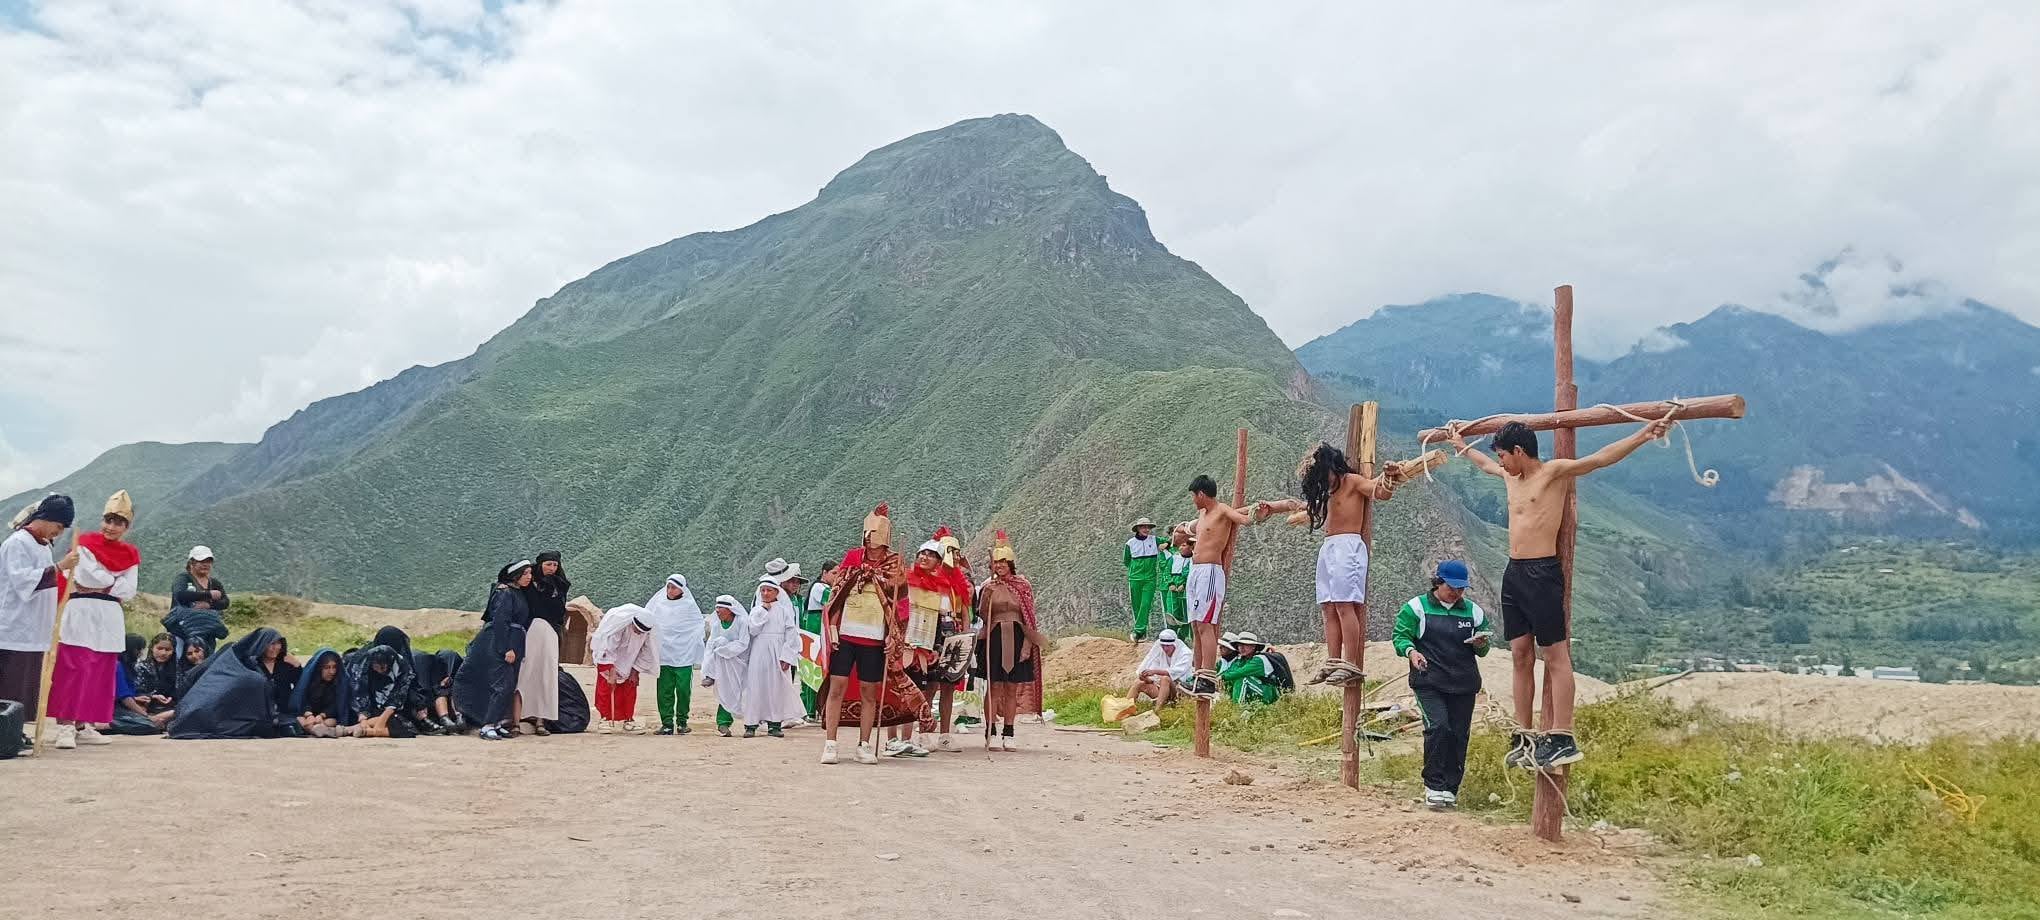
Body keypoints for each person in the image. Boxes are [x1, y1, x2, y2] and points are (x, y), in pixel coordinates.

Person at [1449, 416, 1671, 769]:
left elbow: (1600, 459)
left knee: (1554, 655)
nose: (1502, 462)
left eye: (1505, 455)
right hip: (1514, 573)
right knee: (1521, 653)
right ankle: (1524, 736)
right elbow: (1484, 464)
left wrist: (1645, 434)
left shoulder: (1553, 473)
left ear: (1519, 451)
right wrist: (1461, 446)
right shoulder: (1509, 475)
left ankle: (1562, 736)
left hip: (1542, 573)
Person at [1251, 444, 1401, 687]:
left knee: (1344, 604)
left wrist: (1389, 477)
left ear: (1332, 468)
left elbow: (1379, 492)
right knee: (1328, 606)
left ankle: (1350, 663)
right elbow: (1298, 505)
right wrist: (1272, 507)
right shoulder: (1327, 492)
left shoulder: (1352, 481)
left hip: (1348, 546)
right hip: (1329, 547)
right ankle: (1333, 660)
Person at [1392, 561, 1493, 809]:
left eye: (1461, 589)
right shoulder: (1416, 608)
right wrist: (1411, 652)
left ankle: (1451, 788)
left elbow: (1484, 649)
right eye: (1452, 587)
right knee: (1438, 727)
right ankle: (1434, 786)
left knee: (1459, 735)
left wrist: (1481, 644)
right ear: (1438, 582)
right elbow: (1400, 636)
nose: (1457, 593)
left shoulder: (1474, 612)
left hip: (1464, 683)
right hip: (1429, 681)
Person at [48, 491, 140, 750]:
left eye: (118, 522)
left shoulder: (131, 553)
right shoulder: (85, 542)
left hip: (109, 615)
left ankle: (83, 725)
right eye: (108, 520)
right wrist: (112, 582)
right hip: (80, 611)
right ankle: (65, 726)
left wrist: (103, 584)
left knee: (99, 670)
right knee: (73, 666)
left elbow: (129, 590)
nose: (111, 527)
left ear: (126, 526)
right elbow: (86, 576)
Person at [818, 505, 908, 766]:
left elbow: (900, 604)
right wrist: (832, 627)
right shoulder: (852, 557)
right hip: (845, 635)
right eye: (867, 533)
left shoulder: (895, 563)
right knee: (837, 688)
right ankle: (831, 743)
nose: (870, 538)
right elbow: (837, 593)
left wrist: (894, 635)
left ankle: (865, 744)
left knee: (870, 692)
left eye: (875, 533)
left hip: (875, 638)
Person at [0, 494, 75, 753]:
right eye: (59, 525)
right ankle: (5, 733)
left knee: (26, 687)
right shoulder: (18, 543)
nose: (60, 531)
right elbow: (23, 582)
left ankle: (14, 731)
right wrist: (59, 568)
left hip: (35, 628)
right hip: (15, 627)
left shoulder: (44, 545)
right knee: (11, 685)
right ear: (46, 518)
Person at [970, 531, 1045, 752]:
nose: (1000, 566)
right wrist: (987, 594)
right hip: (994, 637)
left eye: (1004, 562)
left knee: (1011, 688)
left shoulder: (1023, 585)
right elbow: (982, 615)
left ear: (1010, 563)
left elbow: (1029, 616)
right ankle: (990, 730)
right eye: (997, 562)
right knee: (993, 687)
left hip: (1017, 636)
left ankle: (1009, 732)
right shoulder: (988, 586)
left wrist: (1027, 646)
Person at [1185, 476, 1251, 700]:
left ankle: (1207, 675)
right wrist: (1181, 529)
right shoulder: (1202, 516)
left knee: (1206, 625)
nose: (1193, 500)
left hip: (1210, 573)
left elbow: (1243, 519)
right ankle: (1197, 672)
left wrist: (1258, 512)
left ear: (1201, 494)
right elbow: (1190, 528)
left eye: (1194, 496)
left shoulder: (1222, 510)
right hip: (1195, 572)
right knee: (1195, 624)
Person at [167, 627, 289, 740]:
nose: (275, 647)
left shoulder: (284, 665)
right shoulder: (243, 663)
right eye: (271, 644)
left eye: (278, 643)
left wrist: (297, 668)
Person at [469, 560, 533, 742]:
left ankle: (497, 723)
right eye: (526, 573)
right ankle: (487, 724)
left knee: (509, 685)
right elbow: (500, 622)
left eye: (530, 573)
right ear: (516, 574)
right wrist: (506, 648)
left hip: (517, 642)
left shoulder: (518, 593)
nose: (529, 577)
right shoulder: (504, 593)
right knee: (501, 684)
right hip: (505, 643)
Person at [741, 576, 805, 738]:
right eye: (763, 590)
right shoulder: (757, 610)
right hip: (759, 651)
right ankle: (751, 724)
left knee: (776, 688)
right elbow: (752, 630)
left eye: (769, 590)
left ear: (777, 592)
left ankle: (774, 724)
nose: (765, 593)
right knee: (756, 686)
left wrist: (787, 656)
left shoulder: (784, 610)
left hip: (778, 651)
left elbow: (791, 634)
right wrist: (763, 610)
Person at [645, 574, 704, 735]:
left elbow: (697, 624)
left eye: (674, 587)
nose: (670, 590)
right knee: (664, 690)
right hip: (664, 653)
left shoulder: (689, 605)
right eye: (668, 587)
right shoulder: (658, 603)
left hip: (684, 654)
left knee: (684, 689)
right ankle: (667, 723)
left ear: (682, 589)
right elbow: (648, 619)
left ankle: (682, 722)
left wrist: (692, 642)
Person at [163, 546, 230, 685]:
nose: (206, 564)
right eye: (201, 561)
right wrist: (208, 594)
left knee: (206, 661)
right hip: (181, 631)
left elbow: (225, 602)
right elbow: (180, 595)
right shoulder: (183, 578)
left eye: (208, 561)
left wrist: (208, 605)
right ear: (192, 563)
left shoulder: (214, 582)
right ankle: (175, 691)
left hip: (207, 631)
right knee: (178, 659)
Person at [592, 604, 659, 734]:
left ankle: (629, 720)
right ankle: (605, 719)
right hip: (610, 660)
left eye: (642, 632)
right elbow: (608, 647)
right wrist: (611, 671)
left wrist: (635, 671)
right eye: (637, 629)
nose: (639, 632)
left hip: (630, 662)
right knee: (606, 689)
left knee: (629, 689)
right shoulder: (619, 626)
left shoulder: (646, 632)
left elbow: (646, 652)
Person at [700, 595, 751, 738]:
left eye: (720, 607)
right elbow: (711, 645)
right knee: (725, 690)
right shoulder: (716, 624)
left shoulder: (742, 622)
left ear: (730, 609)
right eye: (716, 607)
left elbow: (743, 643)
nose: (717, 610)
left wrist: (725, 649)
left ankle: (751, 724)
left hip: (740, 662)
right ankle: (723, 723)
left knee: (744, 693)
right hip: (722, 662)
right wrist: (708, 669)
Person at [799, 562, 836, 720]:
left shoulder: (823, 588)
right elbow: (833, 599)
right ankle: (809, 710)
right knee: (812, 670)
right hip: (814, 632)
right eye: (834, 573)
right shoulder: (819, 588)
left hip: (819, 632)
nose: (836, 577)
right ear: (824, 573)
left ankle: (815, 709)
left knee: (819, 670)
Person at [1130, 628, 1193, 709]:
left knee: (1165, 679)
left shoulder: (1185, 653)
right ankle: (1125, 708)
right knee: (1138, 683)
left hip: (1180, 691)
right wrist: (1145, 678)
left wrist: (1155, 671)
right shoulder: (1159, 651)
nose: (1165, 649)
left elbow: (1176, 673)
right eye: (1163, 646)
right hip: (1161, 690)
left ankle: (1157, 710)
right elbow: (1153, 679)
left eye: (1168, 646)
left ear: (1174, 644)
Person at [1122, 517, 1161, 642]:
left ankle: (1138, 631)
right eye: (1143, 527)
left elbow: (1170, 542)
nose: (1146, 529)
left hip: (1150, 578)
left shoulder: (1155, 540)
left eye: (1148, 527)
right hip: (1135, 578)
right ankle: (1142, 633)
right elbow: (1126, 560)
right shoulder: (1130, 543)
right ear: (1138, 529)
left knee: (1145, 604)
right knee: (1137, 605)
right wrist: (1134, 570)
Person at [290, 648, 344, 737]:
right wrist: (309, 714)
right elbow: (301, 699)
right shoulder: (307, 680)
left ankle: (315, 729)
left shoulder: (339, 682)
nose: (331, 672)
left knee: (332, 721)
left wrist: (322, 715)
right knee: (299, 719)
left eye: (334, 667)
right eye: (326, 667)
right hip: (307, 716)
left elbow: (337, 704)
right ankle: (315, 730)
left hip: (326, 717)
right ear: (319, 668)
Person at [1220, 632, 1285, 705]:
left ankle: (1236, 710)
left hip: (1269, 693)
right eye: (1239, 645)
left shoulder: (1259, 660)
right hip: (1256, 689)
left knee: (1242, 680)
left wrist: (1221, 677)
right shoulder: (1242, 660)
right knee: (1229, 681)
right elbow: (1231, 671)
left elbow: (1241, 672)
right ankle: (1231, 704)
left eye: (1245, 645)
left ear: (1253, 646)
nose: (1242, 648)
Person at [133, 632, 179, 717]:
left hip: (169, 707)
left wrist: (171, 698)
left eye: (168, 650)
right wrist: (153, 696)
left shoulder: (177, 669)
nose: (163, 653)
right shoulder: (140, 667)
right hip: (144, 706)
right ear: (152, 648)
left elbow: (179, 690)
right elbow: (136, 692)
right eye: (159, 648)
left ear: (173, 651)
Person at [1158, 525, 1194, 635]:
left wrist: (1183, 582)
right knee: (1171, 611)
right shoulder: (1173, 556)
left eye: (1184, 545)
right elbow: (1166, 569)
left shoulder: (1192, 559)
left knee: (1185, 612)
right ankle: (1170, 636)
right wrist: (1171, 583)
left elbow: (1187, 571)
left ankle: (1182, 638)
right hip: (1171, 585)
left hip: (1185, 586)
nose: (1181, 547)